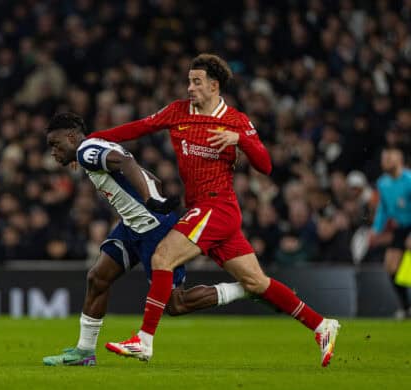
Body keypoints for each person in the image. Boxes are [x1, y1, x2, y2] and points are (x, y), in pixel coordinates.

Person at [88, 54, 340, 367]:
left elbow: (265, 164)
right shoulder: (178, 111)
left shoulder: (235, 120)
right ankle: (321, 325)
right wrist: (91, 141)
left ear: (213, 85)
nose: (190, 87)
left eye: (196, 82)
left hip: (216, 205)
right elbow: (137, 128)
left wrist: (240, 140)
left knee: (162, 257)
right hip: (205, 210)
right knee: (256, 283)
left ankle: (144, 340)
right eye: (189, 81)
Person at [42, 112, 248, 366]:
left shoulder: (87, 151)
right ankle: (84, 352)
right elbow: (154, 179)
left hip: (153, 230)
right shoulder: (88, 150)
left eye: (56, 144)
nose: (53, 152)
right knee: (98, 277)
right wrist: (152, 196)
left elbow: (126, 162)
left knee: (175, 305)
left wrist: (151, 202)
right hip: (132, 227)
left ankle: (245, 288)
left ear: (72, 137)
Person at [369, 144, 411, 318]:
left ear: (399, 159)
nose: (385, 161)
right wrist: (375, 230)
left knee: (404, 269)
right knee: (391, 266)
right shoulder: (382, 183)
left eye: (389, 157)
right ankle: (406, 307)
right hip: (400, 229)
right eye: (383, 158)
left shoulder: (409, 180)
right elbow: (383, 209)